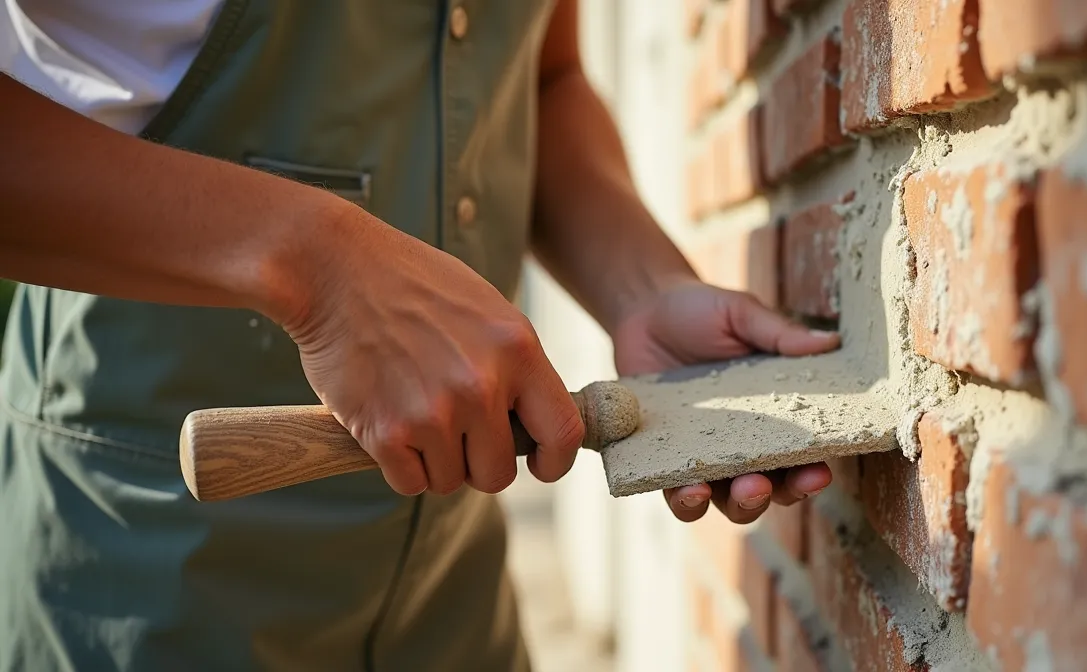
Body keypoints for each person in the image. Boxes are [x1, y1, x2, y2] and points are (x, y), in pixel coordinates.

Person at [0, 1, 837, 669]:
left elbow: (542, 77)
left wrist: (646, 289)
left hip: (453, 595)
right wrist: (317, 263)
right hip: (147, 586)